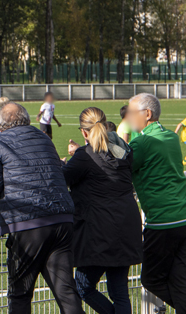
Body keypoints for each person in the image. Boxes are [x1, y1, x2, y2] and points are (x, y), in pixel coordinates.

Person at [0, 101, 83, 314]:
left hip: (27, 221)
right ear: (26, 119)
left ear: (0, 124)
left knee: (20, 293)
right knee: (66, 292)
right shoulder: (44, 138)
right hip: (61, 218)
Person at [126, 93, 186, 314]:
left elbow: (121, 163)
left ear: (147, 114)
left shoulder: (142, 143)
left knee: (151, 279)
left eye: (132, 113)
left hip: (163, 222)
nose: (128, 118)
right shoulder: (170, 137)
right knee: (180, 278)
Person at [64, 108, 141, 314]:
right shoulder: (124, 150)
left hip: (99, 230)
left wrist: (61, 162)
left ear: (84, 132)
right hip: (126, 224)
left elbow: (64, 178)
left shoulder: (84, 156)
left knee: (83, 286)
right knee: (120, 292)